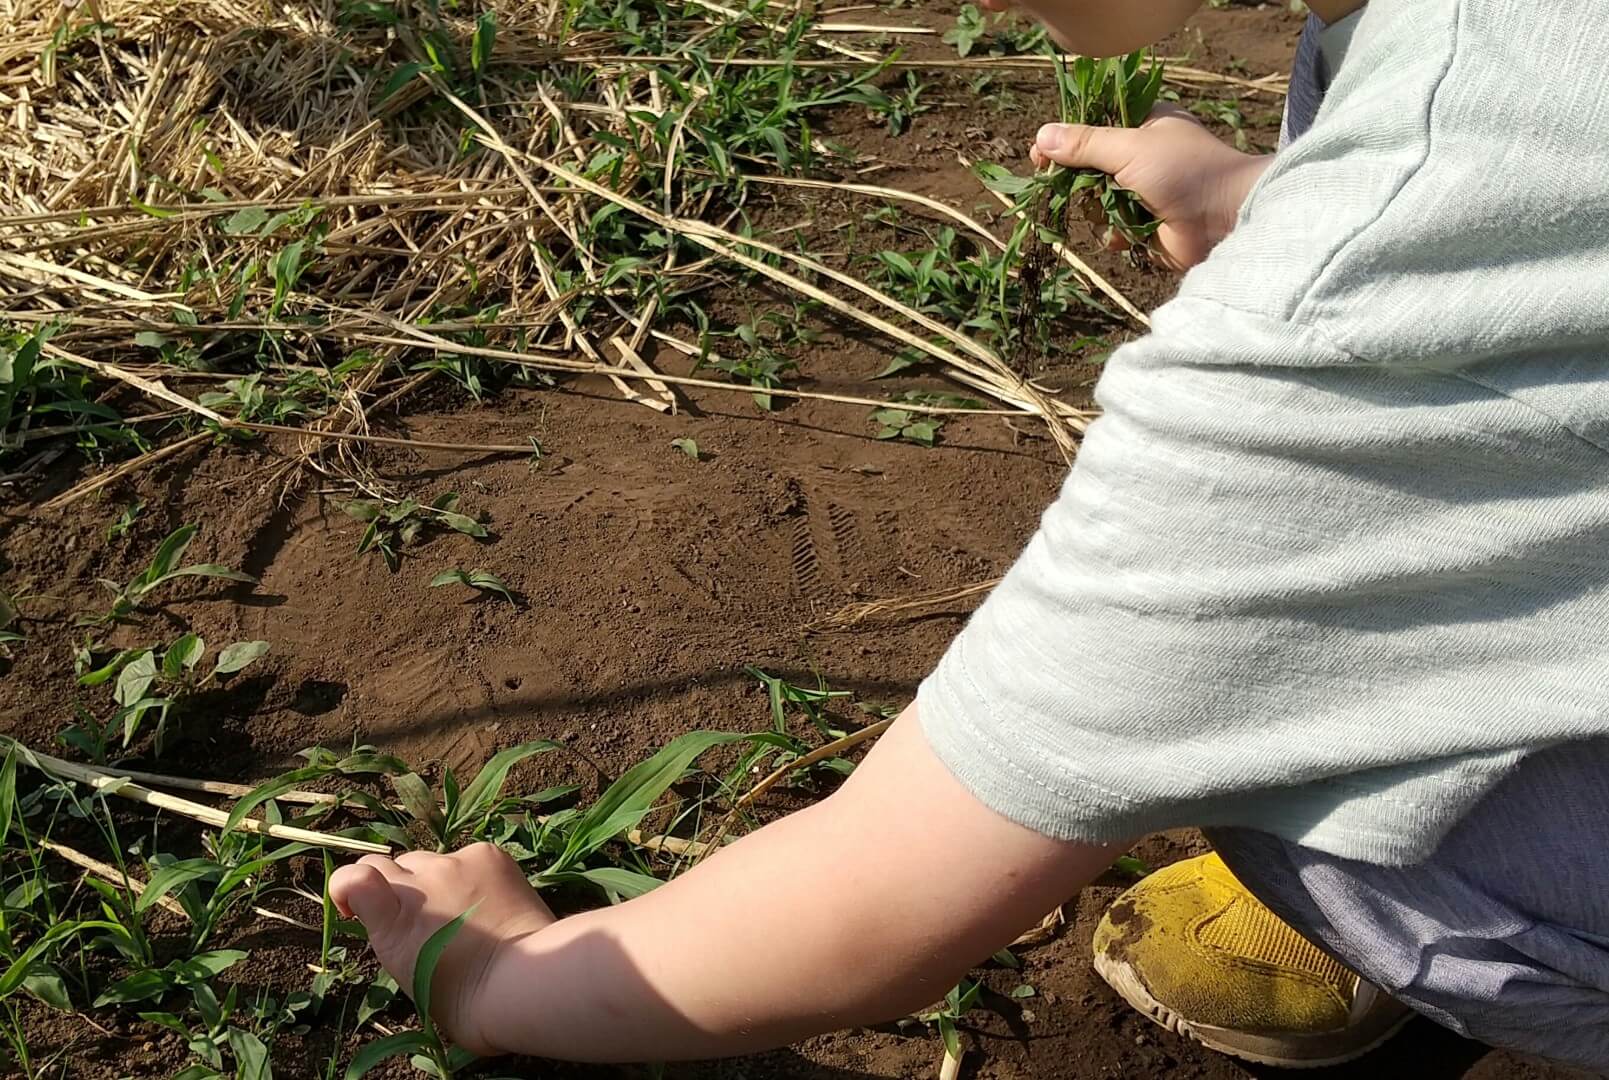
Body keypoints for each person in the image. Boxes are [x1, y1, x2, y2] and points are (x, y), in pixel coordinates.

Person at [331, 0, 1609, 1071]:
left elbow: (886, 891)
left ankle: (1406, 883)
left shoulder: (1327, 341)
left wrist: (489, 981)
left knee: (1230, 723)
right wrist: (1285, 193)